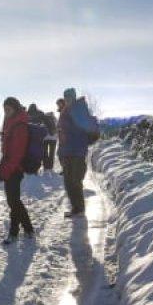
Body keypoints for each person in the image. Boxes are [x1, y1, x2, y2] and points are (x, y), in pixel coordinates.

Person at [0, 97, 35, 243]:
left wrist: (5, 171)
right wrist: (1, 169)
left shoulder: (20, 126)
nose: (6, 112)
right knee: (14, 201)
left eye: (9, 109)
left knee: (13, 201)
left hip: (15, 168)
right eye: (4, 109)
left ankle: (13, 232)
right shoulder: (9, 122)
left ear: (15, 108)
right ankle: (28, 228)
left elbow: (17, 153)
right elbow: (6, 150)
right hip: (9, 166)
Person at [57, 88, 96, 218]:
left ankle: (79, 209)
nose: (67, 100)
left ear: (73, 97)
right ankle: (76, 207)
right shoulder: (65, 111)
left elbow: (86, 128)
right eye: (66, 97)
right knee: (68, 182)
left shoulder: (79, 110)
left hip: (77, 151)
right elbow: (61, 133)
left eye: (69, 97)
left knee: (75, 181)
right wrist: (60, 152)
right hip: (67, 151)